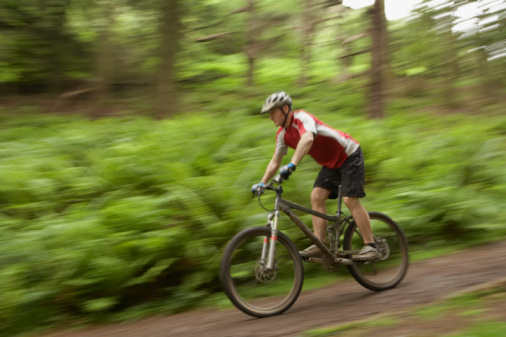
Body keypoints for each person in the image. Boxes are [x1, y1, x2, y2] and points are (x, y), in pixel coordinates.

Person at [251, 91, 380, 261]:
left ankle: (371, 246)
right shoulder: (282, 134)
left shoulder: (302, 118)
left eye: (272, 111)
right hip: (331, 164)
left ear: (285, 109)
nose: (270, 116)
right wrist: (262, 183)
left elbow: (307, 139)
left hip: (349, 154)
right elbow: (275, 160)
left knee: (350, 199)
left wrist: (292, 164)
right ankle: (321, 244)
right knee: (316, 196)